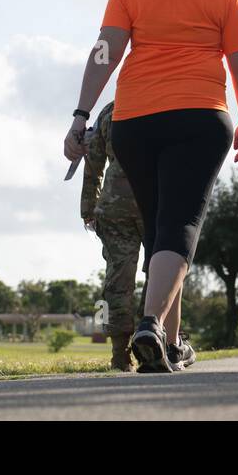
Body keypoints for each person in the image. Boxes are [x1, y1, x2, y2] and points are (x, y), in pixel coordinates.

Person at [63, 0, 238, 373]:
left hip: (134, 122)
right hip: (200, 117)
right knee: (180, 227)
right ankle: (151, 325)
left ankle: (169, 345)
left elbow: (105, 52)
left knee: (159, 230)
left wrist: (81, 115)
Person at [80, 100, 141, 371]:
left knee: (118, 277)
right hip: (156, 200)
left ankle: (120, 354)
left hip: (115, 204)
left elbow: (93, 163)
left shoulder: (109, 111)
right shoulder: (166, 100)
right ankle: (154, 337)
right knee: (163, 271)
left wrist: (88, 208)